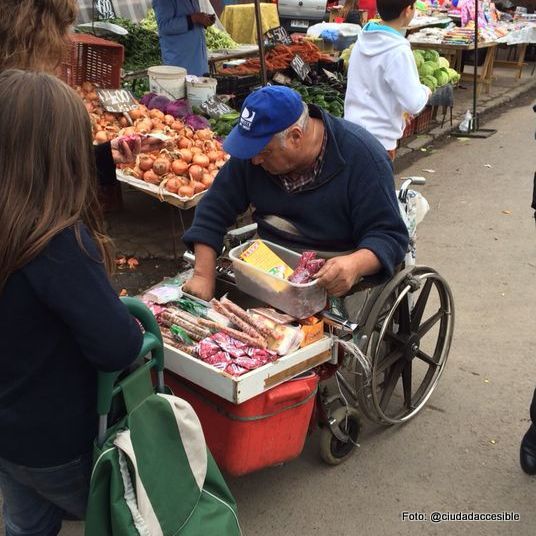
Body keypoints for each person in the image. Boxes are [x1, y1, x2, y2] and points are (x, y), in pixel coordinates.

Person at [0, 69, 143, 535]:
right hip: (58, 443)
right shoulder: (57, 244)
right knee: (122, 516)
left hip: (9, 436)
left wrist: (106, 159)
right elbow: (116, 347)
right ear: (64, 156)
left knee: (26, 524)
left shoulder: (15, 226)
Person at [182, 85, 409, 302]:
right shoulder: (253, 155)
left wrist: (355, 264)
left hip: (332, 272)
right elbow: (214, 207)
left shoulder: (363, 157)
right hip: (268, 262)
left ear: (296, 137)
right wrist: (203, 275)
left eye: (264, 152)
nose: (254, 160)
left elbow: (389, 235)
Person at [0, 0, 162, 186]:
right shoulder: (31, 96)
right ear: (38, 30)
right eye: (62, 29)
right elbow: (33, 180)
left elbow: (43, 165)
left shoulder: (26, 91)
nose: (66, 40)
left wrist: (102, 156)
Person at [344, 0, 431, 158]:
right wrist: (426, 91)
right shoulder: (398, 50)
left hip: (350, 133)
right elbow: (414, 103)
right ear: (407, 10)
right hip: (379, 142)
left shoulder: (363, 39)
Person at [153, 0, 215, 76]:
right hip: (180, 63)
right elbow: (164, 26)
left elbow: (195, 18)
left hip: (199, 61)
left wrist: (204, 20)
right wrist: (194, 18)